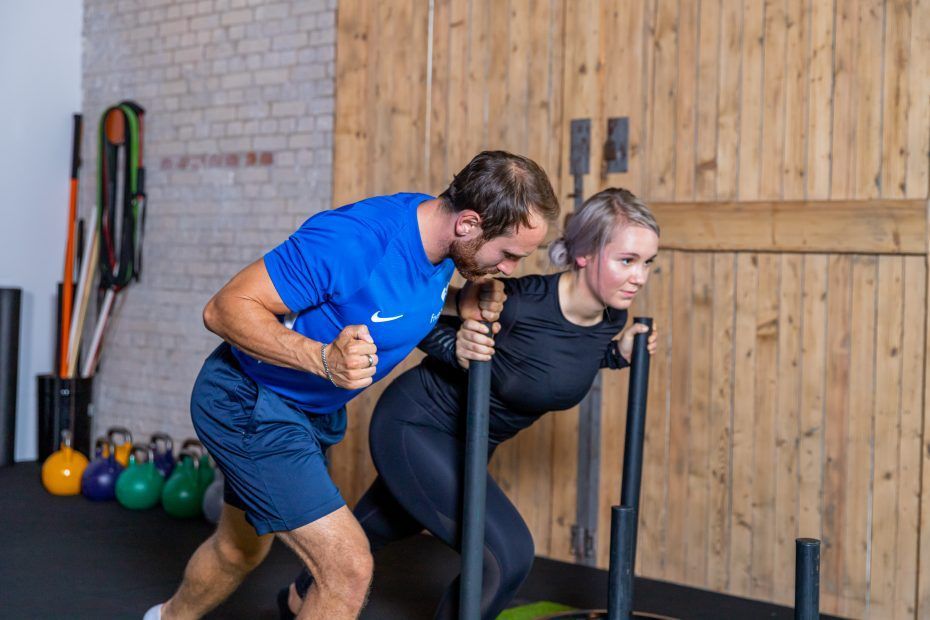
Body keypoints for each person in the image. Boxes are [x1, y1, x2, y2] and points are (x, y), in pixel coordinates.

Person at [144, 151, 560, 620]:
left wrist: (462, 302)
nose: (508, 268)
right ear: (468, 223)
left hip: (306, 415)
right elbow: (225, 308)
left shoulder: (444, 248)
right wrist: (321, 358)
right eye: (506, 255)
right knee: (347, 569)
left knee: (239, 551)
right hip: (250, 402)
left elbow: (393, 308)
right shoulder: (356, 239)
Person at [283, 187, 661, 619]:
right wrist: (454, 346)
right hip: (416, 424)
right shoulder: (517, 302)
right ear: (585, 254)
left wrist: (618, 355)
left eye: (648, 262)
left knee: (390, 519)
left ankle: (299, 595)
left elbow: (554, 370)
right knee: (505, 556)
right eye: (627, 261)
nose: (639, 277)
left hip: (473, 440)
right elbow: (411, 316)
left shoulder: (611, 317)